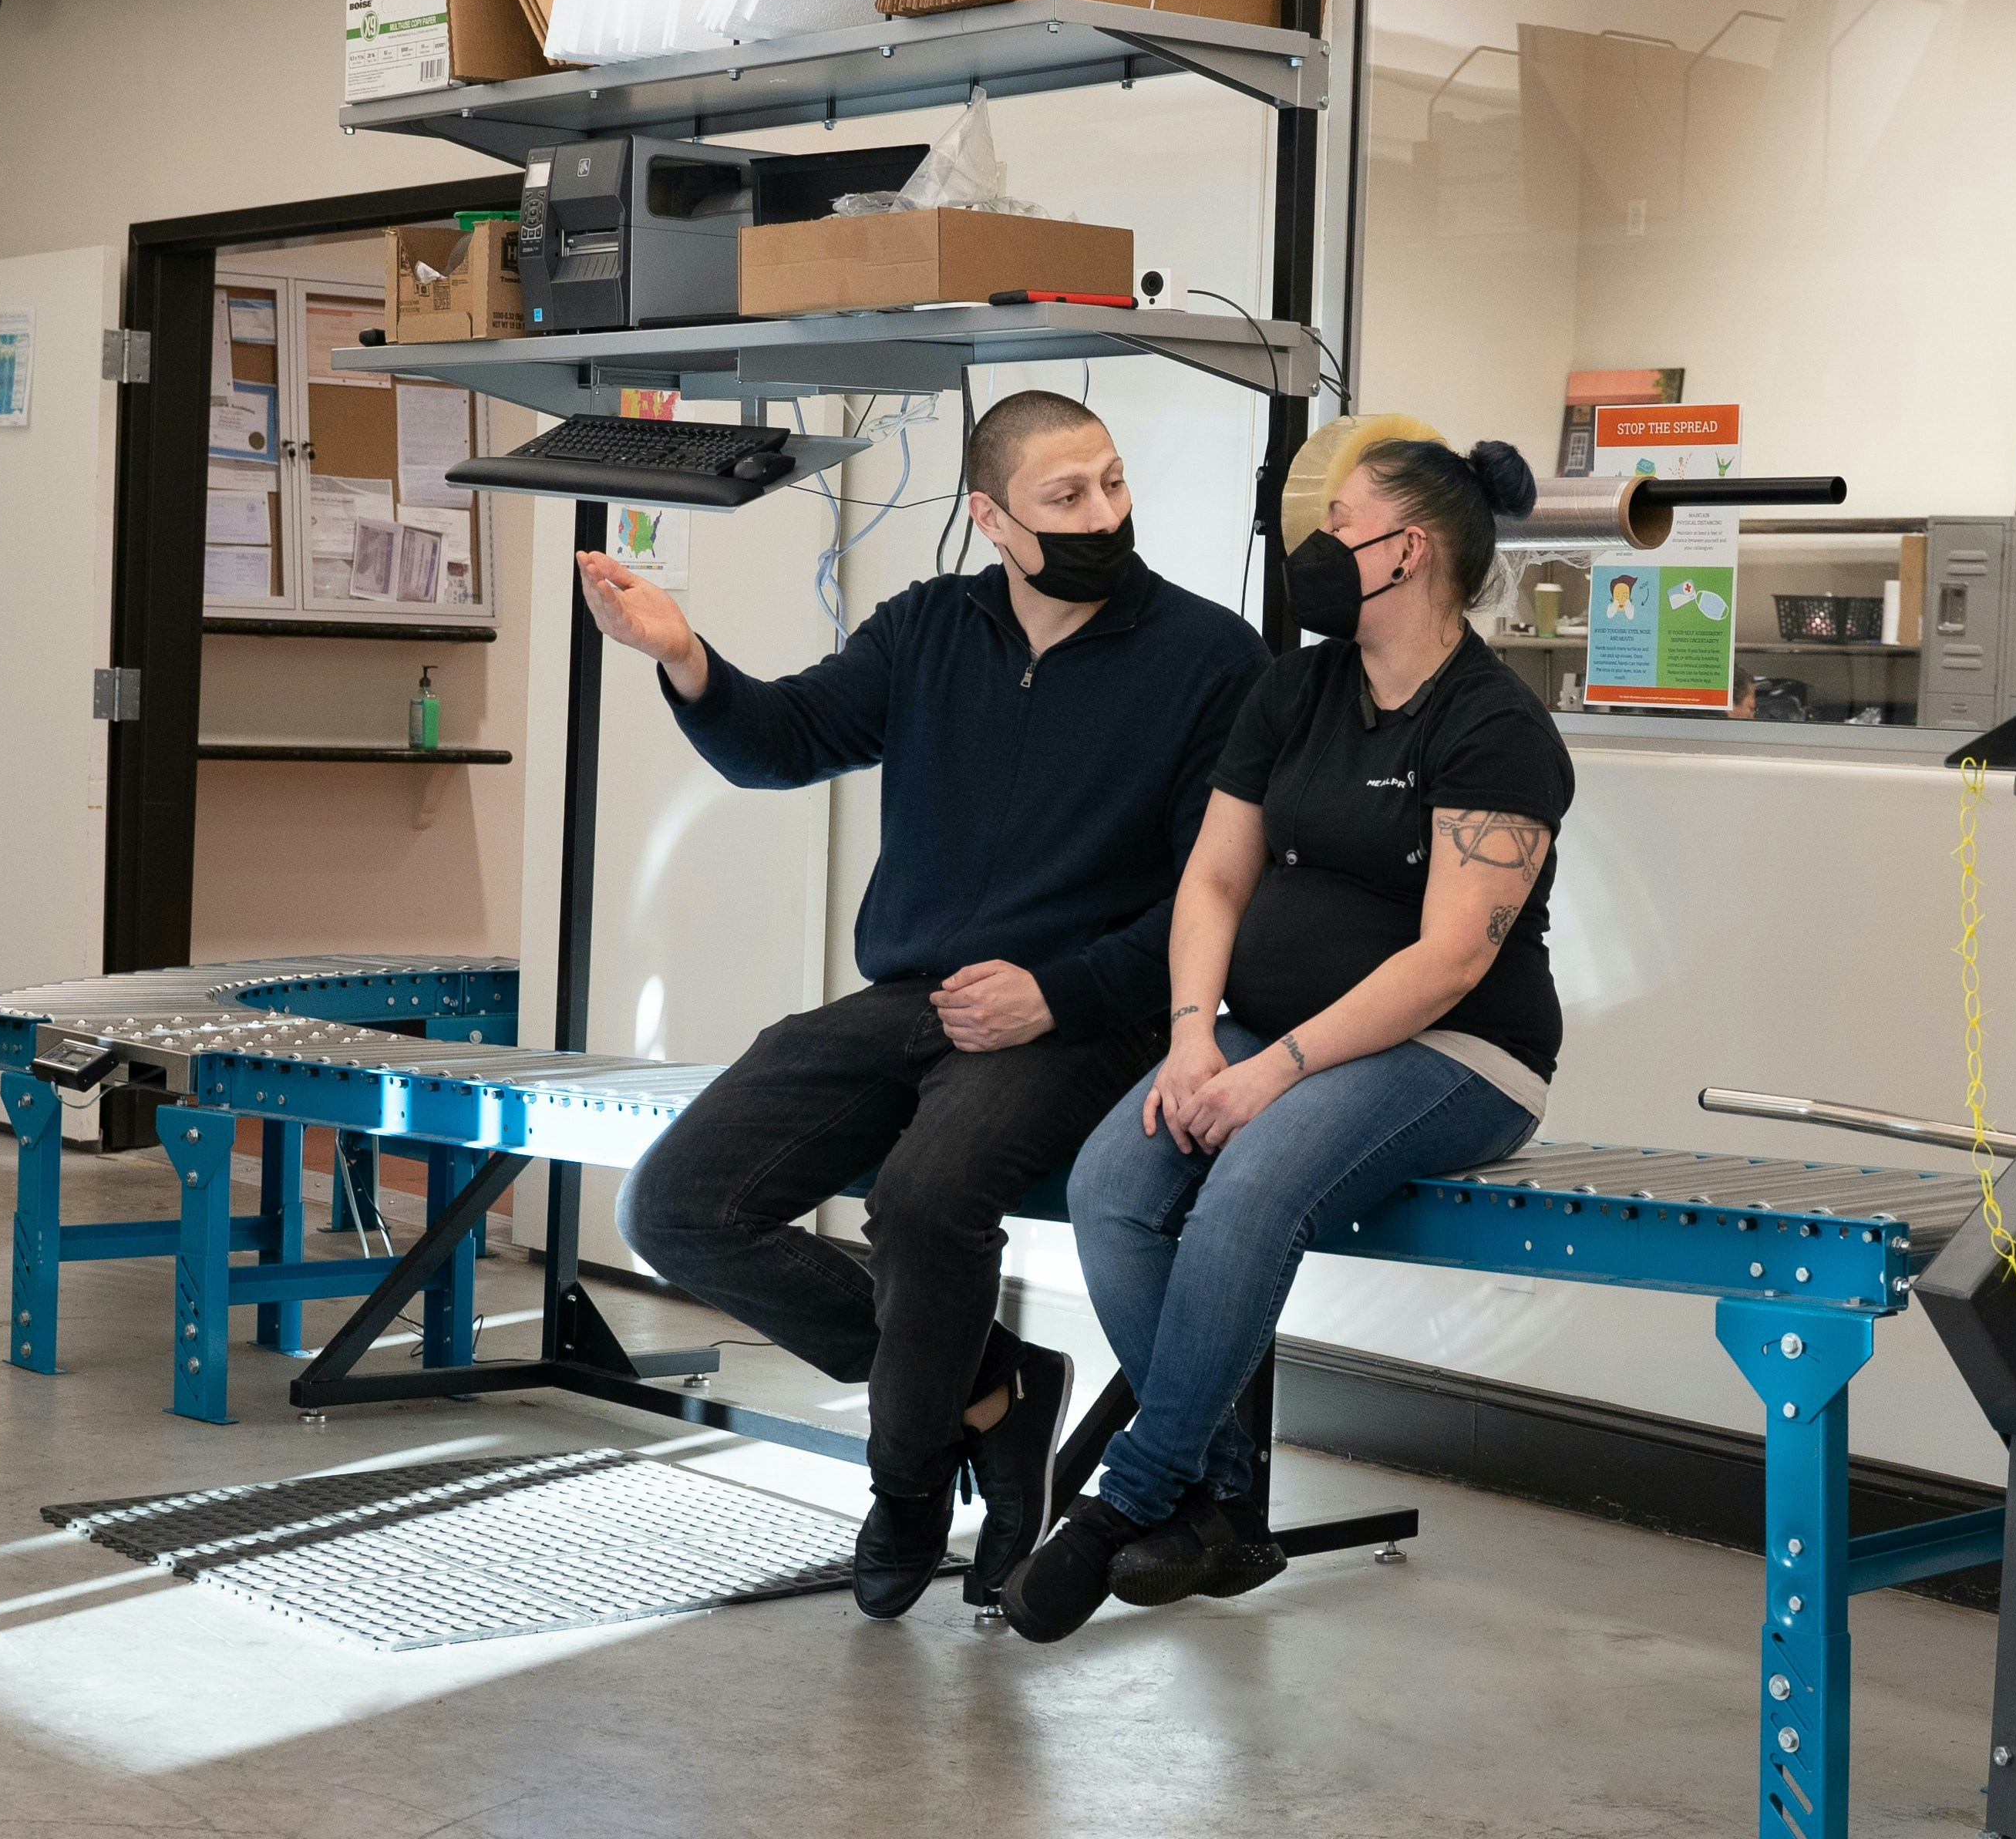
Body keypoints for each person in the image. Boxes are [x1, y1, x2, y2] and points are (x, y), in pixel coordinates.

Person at [575, 390, 1267, 1622]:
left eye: (1112, 482)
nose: (1104, 512)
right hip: (914, 997)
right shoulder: (928, 629)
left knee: (926, 1198)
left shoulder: (1212, 660)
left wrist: (1055, 992)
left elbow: (1210, 896)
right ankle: (992, 1395)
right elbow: (782, 740)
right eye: (1067, 496)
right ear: (991, 517)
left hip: (1081, 1017)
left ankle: (901, 1491)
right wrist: (684, 653)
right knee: (674, 1206)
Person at [1005, 435, 1574, 1643]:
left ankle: (1127, 1503)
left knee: (1250, 1189)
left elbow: (1452, 959)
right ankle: (1220, 1498)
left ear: (1404, 550)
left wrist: (1277, 1068)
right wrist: (1193, 1038)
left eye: (1341, 524)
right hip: (1265, 1034)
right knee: (1113, 1180)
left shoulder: (1496, 729)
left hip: (1460, 1053)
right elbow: (1214, 879)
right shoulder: (1297, 689)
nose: (1311, 551)